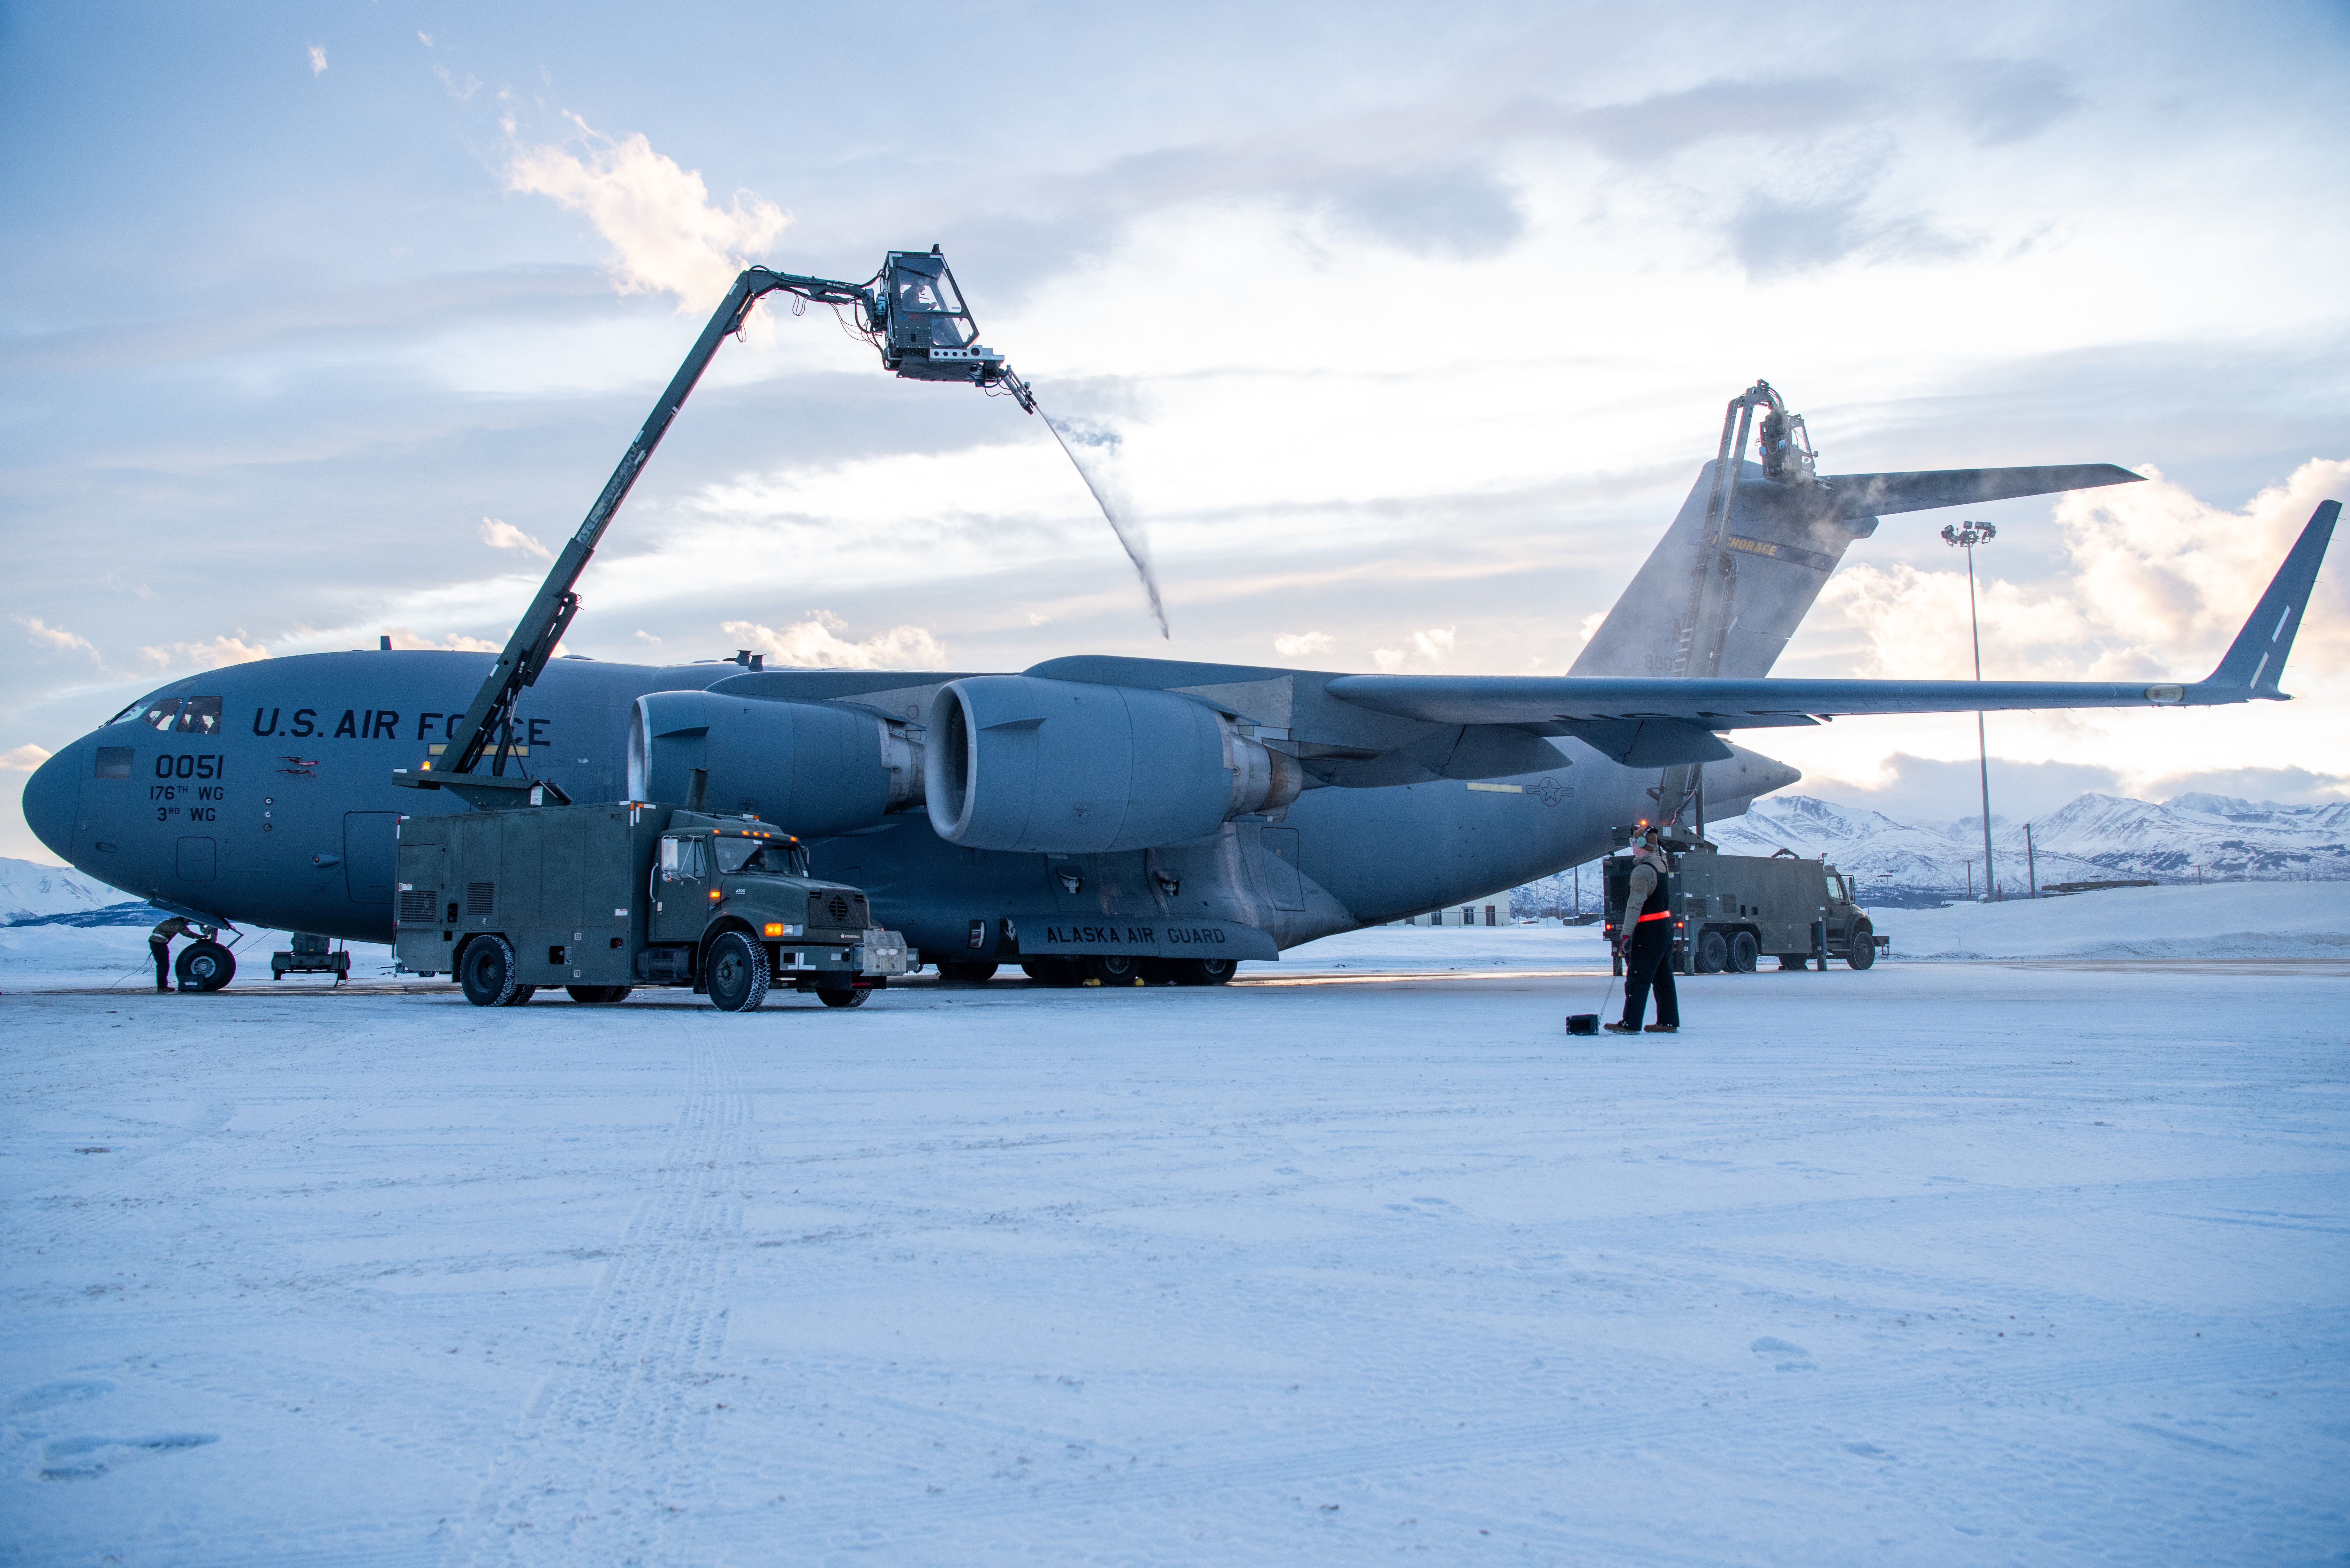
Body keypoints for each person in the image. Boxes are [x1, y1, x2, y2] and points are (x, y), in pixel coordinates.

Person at [1606, 829, 1679, 1034]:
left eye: (1634, 841)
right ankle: (1668, 1022)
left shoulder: (1642, 872)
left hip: (1649, 930)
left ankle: (1631, 1023)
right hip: (1664, 928)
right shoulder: (1661, 865)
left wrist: (1626, 935)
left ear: (1641, 843)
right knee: (1664, 977)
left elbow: (1634, 906)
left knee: (1637, 977)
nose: (1632, 845)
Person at [149, 914, 197, 992]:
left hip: (154, 942)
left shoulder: (171, 922)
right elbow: (188, 934)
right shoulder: (179, 925)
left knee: (161, 965)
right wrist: (201, 937)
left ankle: (162, 986)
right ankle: (162, 987)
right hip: (160, 943)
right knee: (164, 965)